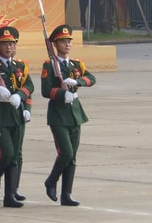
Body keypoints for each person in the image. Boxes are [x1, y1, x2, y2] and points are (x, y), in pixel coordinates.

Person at [41, 25, 96, 207]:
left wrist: (77, 81)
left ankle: (66, 194)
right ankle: (51, 181)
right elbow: (46, 90)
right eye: (63, 41)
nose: (67, 44)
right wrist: (62, 93)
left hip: (75, 114)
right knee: (66, 152)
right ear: (55, 44)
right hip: (58, 115)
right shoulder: (49, 65)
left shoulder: (76, 64)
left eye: (69, 41)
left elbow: (91, 79)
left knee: (72, 157)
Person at [0, 25, 33, 208]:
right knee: (7, 153)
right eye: (4, 44)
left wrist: (23, 101)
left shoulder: (20, 66)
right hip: (0, 117)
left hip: (17, 116)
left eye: (12, 44)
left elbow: (29, 86)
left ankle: (10, 195)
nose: (9, 47)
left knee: (15, 155)